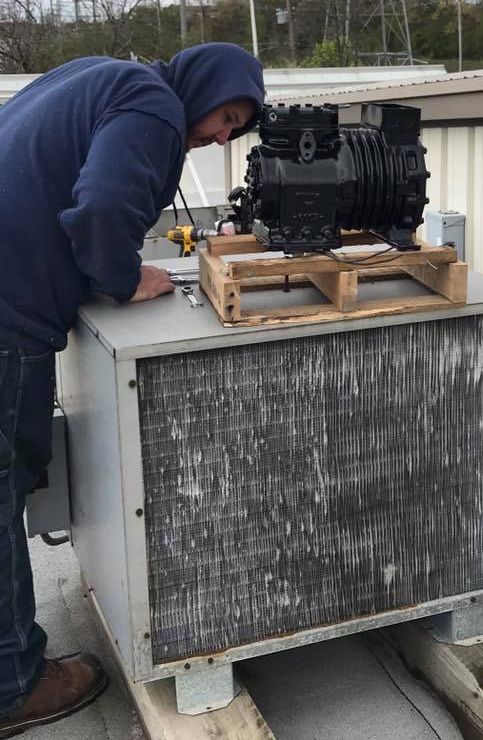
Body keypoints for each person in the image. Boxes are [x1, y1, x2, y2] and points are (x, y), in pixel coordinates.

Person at [0, 42, 264, 736]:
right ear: (201, 87)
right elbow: (102, 205)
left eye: (235, 131)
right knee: (2, 487)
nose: (219, 136)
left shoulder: (101, 75)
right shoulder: (152, 106)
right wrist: (123, 275)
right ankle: (11, 684)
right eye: (225, 116)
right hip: (5, 315)